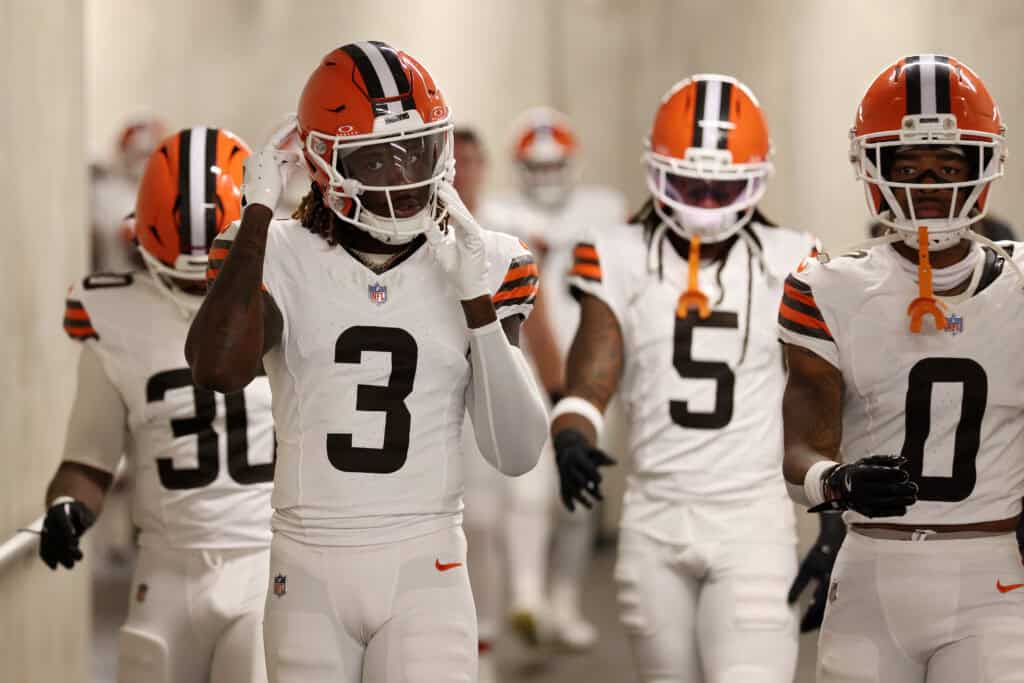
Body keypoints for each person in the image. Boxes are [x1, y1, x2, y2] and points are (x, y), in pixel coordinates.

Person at [186, 41, 548, 682]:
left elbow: (516, 451)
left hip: (427, 560)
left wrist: (476, 304)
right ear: (323, 164)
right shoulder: (278, 252)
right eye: (376, 157)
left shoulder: (485, 259)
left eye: (420, 147)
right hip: (306, 561)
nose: (405, 173)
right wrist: (256, 216)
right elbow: (216, 369)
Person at [551, 74, 816, 681]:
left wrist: (831, 513)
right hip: (654, 518)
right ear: (656, 170)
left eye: (719, 186)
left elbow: (817, 395)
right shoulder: (616, 252)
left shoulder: (792, 258)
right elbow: (592, 378)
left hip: (752, 518)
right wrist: (572, 431)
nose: (701, 202)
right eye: (688, 183)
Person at [780, 55, 1024, 682]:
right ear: (875, 168)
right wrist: (836, 483)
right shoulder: (828, 285)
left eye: (948, 166)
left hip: (991, 574)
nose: (929, 184)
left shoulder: (1020, 285)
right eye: (909, 167)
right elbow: (801, 446)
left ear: (981, 166)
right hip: (871, 570)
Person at [41, 126, 275, 682]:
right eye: (181, 277)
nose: (199, 295)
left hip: (270, 562)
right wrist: (65, 508)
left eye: (214, 276)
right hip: (165, 567)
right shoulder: (114, 312)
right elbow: (89, 458)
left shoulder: (294, 297)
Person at [486, 108, 628, 650]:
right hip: (525, 365)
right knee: (526, 485)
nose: (545, 179)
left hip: (590, 370)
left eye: (554, 167)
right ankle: (528, 595)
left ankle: (566, 600)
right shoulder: (500, 212)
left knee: (580, 494)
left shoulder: (604, 209)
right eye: (535, 168)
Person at [91, 116, 168, 272]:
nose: (145, 161)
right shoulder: (104, 193)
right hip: (116, 280)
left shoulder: (170, 193)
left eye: (150, 152)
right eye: (142, 153)